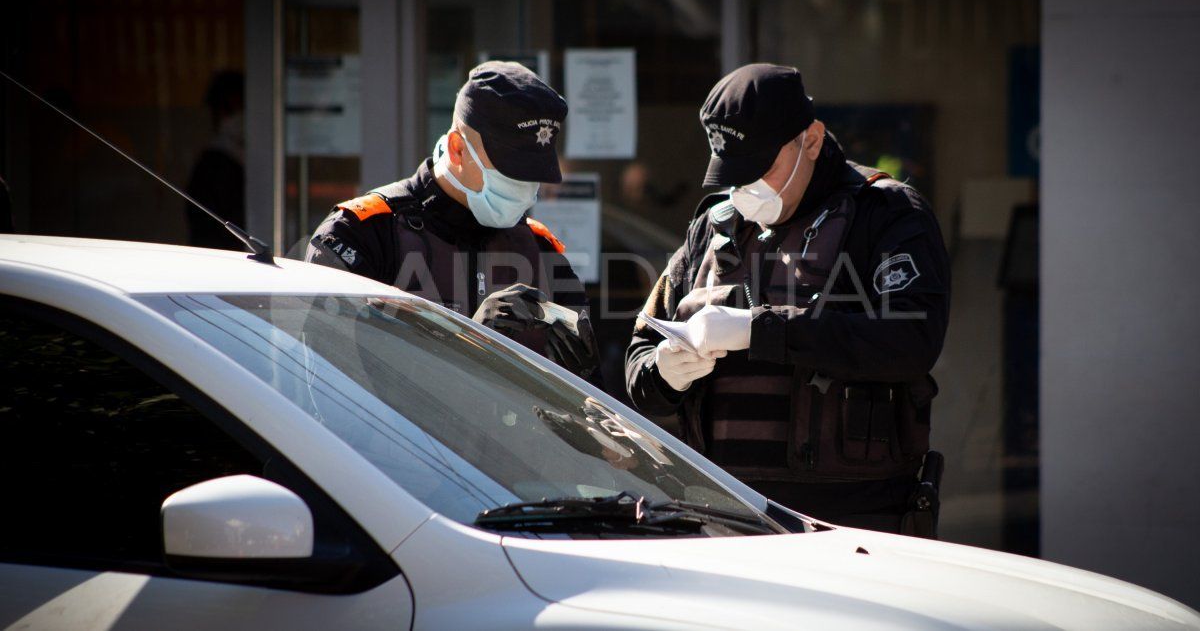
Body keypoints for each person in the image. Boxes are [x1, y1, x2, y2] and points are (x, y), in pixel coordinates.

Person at [625, 64, 950, 534]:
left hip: (852, 523)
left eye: (759, 169)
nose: (744, 190)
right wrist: (665, 371)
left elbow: (912, 338)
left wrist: (762, 331)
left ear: (811, 141)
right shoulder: (713, 227)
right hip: (721, 516)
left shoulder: (887, 215)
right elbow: (639, 355)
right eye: (733, 174)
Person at [306, 61, 599, 379]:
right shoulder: (361, 234)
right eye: (511, 171)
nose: (525, 188)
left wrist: (578, 373)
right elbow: (329, 386)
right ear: (458, 149)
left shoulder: (540, 250)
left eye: (533, 176)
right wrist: (469, 342)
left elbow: (585, 403)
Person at [186, 70, 246, 250]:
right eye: (229, 109)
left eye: (241, 107)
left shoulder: (243, 157)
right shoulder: (213, 165)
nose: (238, 116)